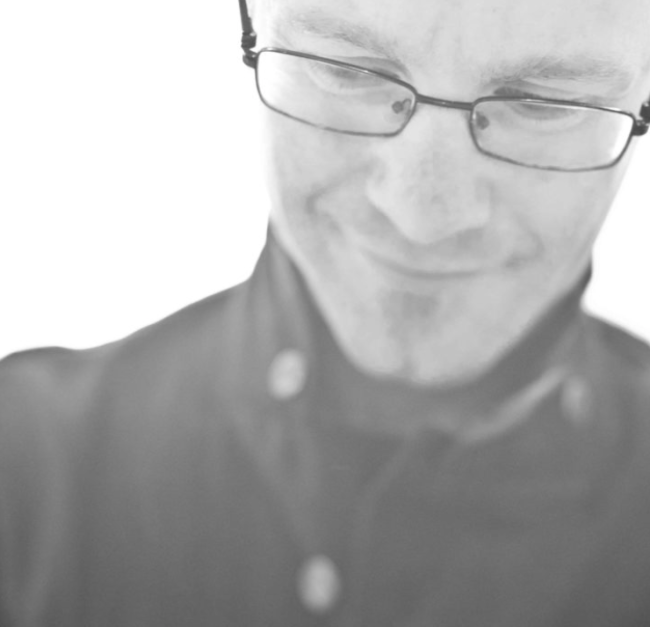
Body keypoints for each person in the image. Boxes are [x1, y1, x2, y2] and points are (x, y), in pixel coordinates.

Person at [2, 0, 650, 624]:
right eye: (348, 70)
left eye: (542, 105)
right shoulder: (22, 471)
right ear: (252, 21)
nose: (421, 218)